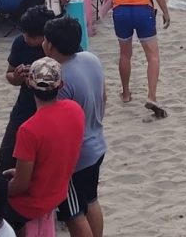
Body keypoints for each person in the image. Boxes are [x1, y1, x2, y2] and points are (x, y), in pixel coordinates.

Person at [42, 16, 107, 237]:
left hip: (76, 156)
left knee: (74, 215)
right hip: (97, 143)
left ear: (49, 45)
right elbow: (104, 97)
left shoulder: (60, 79)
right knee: (91, 200)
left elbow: (59, 127)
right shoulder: (90, 58)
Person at [4, 57, 85, 233]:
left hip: (31, 203)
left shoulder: (28, 129)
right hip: (57, 192)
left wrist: (1, 188)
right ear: (61, 85)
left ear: (29, 85)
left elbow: (21, 186)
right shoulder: (75, 109)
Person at [98, 0, 171, 117]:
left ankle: (125, 93)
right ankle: (152, 96)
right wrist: (165, 11)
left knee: (125, 54)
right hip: (143, 11)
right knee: (152, 56)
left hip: (121, 12)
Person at [0, 6, 55, 173]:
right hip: (25, 106)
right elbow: (10, 75)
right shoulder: (21, 43)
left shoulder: (57, 46)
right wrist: (17, 77)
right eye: (24, 33)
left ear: (45, 37)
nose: (26, 38)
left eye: (31, 36)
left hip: (51, 108)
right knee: (7, 159)